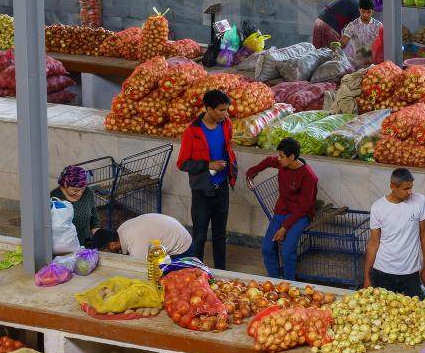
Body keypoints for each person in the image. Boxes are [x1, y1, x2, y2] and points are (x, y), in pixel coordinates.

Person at [178, 89, 236, 269]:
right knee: (200, 236)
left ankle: (221, 271)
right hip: (202, 191)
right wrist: (208, 164)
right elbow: (182, 163)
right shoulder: (192, 131)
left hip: (222, 188)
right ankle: (197, 272)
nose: (225, 113)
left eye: (226, 109)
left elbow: (227, 147)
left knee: (220, 234)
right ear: (208, 109)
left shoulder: (226, 124)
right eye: (221, 110)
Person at [246, 137, 318, 281]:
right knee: (267, 248)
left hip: (301, 215)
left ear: (292, 157)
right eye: (278, 155)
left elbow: (303, 208)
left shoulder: (309, 177)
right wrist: (250, 173)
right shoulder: (283, 164)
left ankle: (290, 284)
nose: (278, 159)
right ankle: (274, 280)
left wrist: (284, 228)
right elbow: (267, 161)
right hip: (282, 210)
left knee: (287, 251)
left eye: (281, 156)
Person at [364, 168, 425, 298]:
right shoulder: (378, 207)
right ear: (393, 187)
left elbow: (424, 235)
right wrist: (367, 276)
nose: (410, 192)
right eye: (406, 189)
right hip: (383, 272)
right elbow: (373, 243)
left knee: (414, 313)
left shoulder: (419, 201)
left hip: (410, 273)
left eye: (411, 187)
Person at [88, 214, 192, 258]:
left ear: (112, 245)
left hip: (181, 246)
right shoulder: (121, 230)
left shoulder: (136, 245)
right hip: (174, 229)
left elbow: (140, 271)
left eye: (104, 252)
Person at [50, 165, 99, 247]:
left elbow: (94, 217)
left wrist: (97, 238)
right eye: (75, 190)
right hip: (62, 244)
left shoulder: (88, 192)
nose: (80, 193)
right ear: (65, 184)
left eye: (82, 189)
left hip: (84, 241)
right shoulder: (54, 197)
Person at [338, 0, 381, 69]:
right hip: (357, 64)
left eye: (368, 12)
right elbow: (343, 43)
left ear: (373, 11)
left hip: (374, 64)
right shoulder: (352, 25)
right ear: (359, 10)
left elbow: (382, 44)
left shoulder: (378, 25)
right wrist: (337, 48)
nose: (365, 15)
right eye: (363, 11)